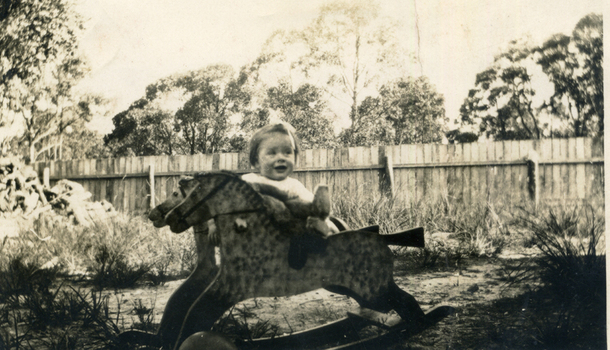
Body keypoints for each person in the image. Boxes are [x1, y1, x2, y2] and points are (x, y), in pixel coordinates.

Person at [242, 123, 336, 237]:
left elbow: (311, 207)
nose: (281, 158)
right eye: (272, 153)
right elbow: (226, 204)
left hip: (289, 237)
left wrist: (325, 221)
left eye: (287, 152)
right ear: (256, 161)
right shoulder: (249, 181)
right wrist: (214, 223)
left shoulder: (294, 185)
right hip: (256, 236)